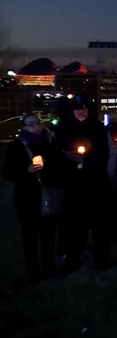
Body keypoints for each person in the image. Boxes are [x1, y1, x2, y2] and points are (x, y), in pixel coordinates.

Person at [2, 113, 64, 283]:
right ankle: (33, 271)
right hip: (27, 197)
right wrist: (26, 171)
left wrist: (51, 151)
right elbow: (7, 172)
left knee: (49, 234)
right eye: (31, 124)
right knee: (30, 236)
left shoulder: (50, 144)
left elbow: (60, 164)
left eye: (38, 123)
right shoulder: (16, 146)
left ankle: (49, 267)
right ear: (23, 127)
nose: (36, 126)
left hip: (48, 194)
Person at [54, 95, 112, 271]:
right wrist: (69, 157)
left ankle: (101, 261)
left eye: (84, 108)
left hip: (96, 184)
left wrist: (87, 159)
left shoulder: (98, 128)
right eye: (78, 109)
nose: (81, 112)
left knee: (100, 225)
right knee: (74, 225)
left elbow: (104, 154)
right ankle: (73, 259)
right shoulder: (64, 128)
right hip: (74, 185)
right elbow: (57, 154)